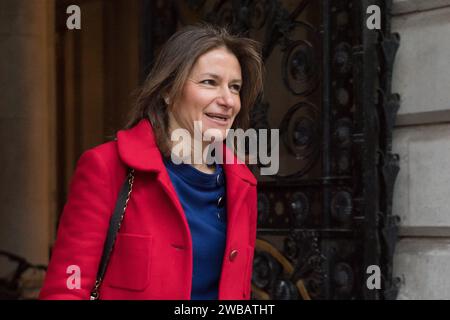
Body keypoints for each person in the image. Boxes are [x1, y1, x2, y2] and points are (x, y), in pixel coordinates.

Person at [39, 23, 263, 300]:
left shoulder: (243, 184)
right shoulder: (106, 167)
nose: (228, 100)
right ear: (168, 91)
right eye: (210, 82)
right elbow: (65, 290)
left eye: (235, 87)